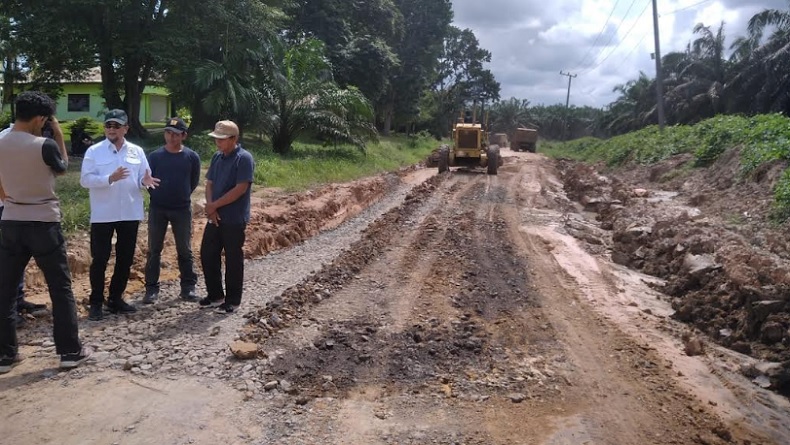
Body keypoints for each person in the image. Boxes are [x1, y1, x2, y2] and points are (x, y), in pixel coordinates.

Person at [0, 91, 91, 373]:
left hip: (11, 219)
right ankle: (69, 351)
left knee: (4, 290)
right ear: (40, 118)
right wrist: (60, 138)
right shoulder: (44, 145)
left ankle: (5, 355)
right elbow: (62, 169)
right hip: (43, 221)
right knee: (60, 288)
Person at [80, 109, 160, 321]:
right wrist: (110, 178)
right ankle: (96, 302)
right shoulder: (94, 152)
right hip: (103, 214)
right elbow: (85, 180)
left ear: (126, 128)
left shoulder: (136, 151)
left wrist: (145, 182)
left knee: (125, 259)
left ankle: (116, 298)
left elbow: (144, 176)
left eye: (116, 126)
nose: (112, 129)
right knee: (100, 259)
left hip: (130, 212)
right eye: (108, 125)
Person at [143, 117, 201, 304]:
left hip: (182, 209)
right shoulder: (155, 156)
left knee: (184, 249)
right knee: (154, 249)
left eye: (176, 134)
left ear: (184, 135)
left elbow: (193, 181)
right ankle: (151, 290)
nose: (171, 137)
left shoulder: (191, 157)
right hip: (158, 208)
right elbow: (147, 181)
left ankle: (188, 288)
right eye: (168, 133)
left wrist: (181, 194)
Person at [199, 120, 254, 314]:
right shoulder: (217, 157)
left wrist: (215, 205)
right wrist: (211, 208)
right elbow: (209, 183)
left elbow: (240, 189)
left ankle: (232, 300)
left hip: (234, 218)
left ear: (234, 139)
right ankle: (215, 295)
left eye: (222, 139)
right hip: (215, 216)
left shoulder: (244, 159)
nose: (218, 143)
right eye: (216, 139)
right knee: (207, 253)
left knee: (232, 259)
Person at [0, 122, 50, 327]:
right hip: (7, 207)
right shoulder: (6, 138)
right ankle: (8, 311)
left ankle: (18, 301)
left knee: (18, 258)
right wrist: (7, 199)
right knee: (7, 260)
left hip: (16, 206)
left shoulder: (32, 139)